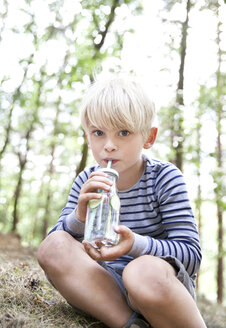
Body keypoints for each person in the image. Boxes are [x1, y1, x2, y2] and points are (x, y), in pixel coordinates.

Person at [37, 75, 207, 328]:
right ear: (87, 137)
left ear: (148, 137)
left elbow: (191, 255)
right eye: (98, 132)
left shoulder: (164, 178)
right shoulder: (87, 179)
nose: (109, 146)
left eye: (124, 132)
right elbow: (57, 247)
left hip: (158, 288)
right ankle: (130, 324)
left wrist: (134, 246)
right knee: (53, 245)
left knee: (140, 271)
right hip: (105, 290)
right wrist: (79, 216)